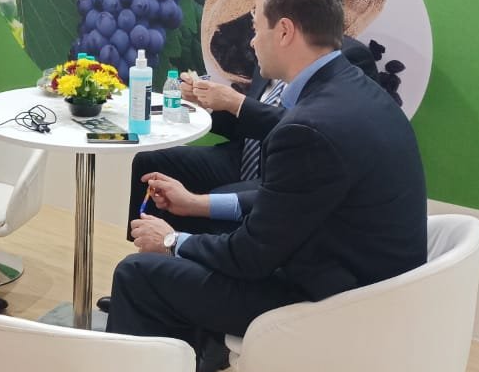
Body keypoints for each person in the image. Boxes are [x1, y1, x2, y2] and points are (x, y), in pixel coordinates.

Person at [105, 0, 427, 372]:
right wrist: (198, 205)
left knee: (137, 274)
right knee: (183, 248)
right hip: (367, 282)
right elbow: (292, 196)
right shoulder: (354, 90)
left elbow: (250, 257)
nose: (253, 41)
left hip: (332, 300)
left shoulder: (309, 127)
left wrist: (170, 240)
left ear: (285, 31)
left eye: (256, 27)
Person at [121, 36, 379, 239]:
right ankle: (142, 257)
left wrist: (237, 103)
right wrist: (209, 104)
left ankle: (185, 264)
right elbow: (246, 124)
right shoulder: (266, 48)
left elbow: (308, 131)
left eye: (261, 18)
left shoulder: (348, 59)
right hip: (243, 156)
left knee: (214, 199)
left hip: (283, 170)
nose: (254, 39)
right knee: (151, 164)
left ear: (287, 26)